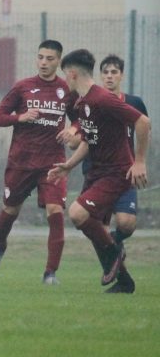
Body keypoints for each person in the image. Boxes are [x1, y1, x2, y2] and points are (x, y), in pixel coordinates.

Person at [48, 49, 150, 289]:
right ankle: (124, 281)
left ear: (72, 74)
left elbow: (143, 122)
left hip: (115, 173)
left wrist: (140, 161)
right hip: (96, 173)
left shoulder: (102, 99)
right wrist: (69, 166)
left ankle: (114, 254)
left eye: (64, 75)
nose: (64, 81)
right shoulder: (84, 102)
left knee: (77, 213)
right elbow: (89, 140)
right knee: (95, 228)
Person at [0, 40, 78, 285]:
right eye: (40, 57)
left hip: (53, 163)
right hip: (21, 162)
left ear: (59, 61)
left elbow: (81, 119)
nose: (44, 63)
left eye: (49, 58)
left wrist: (73, 130)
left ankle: (50, 273)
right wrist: (21, 117)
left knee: (55, 210)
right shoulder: (22, 87)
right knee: (10, 211)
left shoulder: (67, 90)